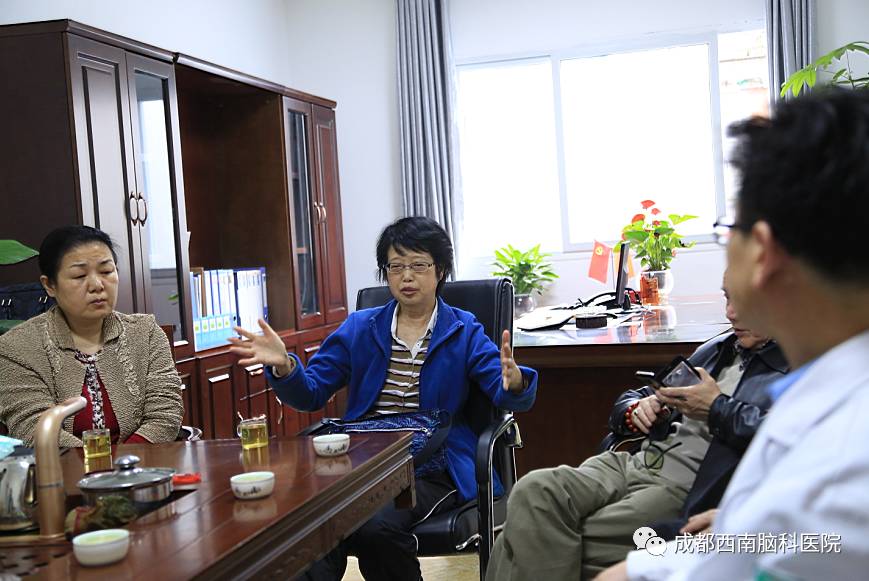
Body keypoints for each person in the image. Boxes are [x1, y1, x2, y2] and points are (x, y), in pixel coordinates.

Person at [596, 88, 869, 580]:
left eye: (729, 230)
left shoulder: (833, 476)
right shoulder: (828, 387)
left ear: (763, 253)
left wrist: (638, 568)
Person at [228, 216, 538, 581]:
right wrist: (285, 366)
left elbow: (504, 390)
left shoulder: (463, 328)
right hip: (363, 464)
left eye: (418, 265)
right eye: (396, 266)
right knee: (311, 530)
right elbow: (311, 393)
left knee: (375, 526)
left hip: (433, 463)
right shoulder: (360, 327)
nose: (406, 276)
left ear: (439, 271)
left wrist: (514, 381)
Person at [485, 280, 787, 581]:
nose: (731, 312)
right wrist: (637, 408)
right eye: (727, 298)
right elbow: (641, 393)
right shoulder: (719, 349)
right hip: (634, 462)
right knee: (533, 491)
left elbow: (788, 439)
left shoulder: (796, 368)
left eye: (743, 301)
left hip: (682, 487)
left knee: (527, 535)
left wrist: (716, 407)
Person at [0, 226, 183, 447]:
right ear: (49, 285)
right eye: (79, 276)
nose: (97, 285)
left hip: (142, 463)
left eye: (106, 272)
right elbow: (34, 428)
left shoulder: (146, 333)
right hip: (62, 467)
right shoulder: (18, 347)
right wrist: (99, 462)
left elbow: (165, 414)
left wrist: (125, 461)